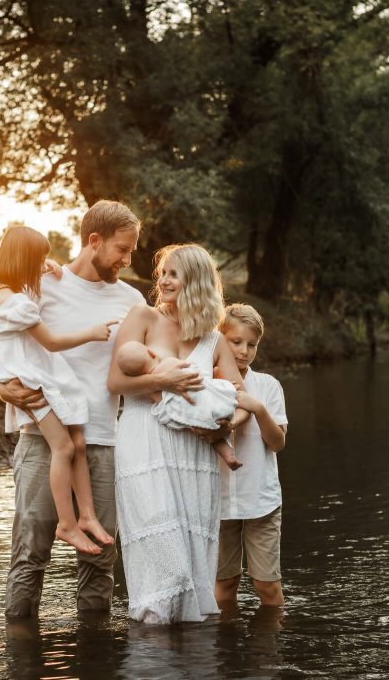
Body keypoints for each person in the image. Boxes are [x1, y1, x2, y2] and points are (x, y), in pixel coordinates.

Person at [0, 200, 203, 618]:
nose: (128, 259)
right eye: (122, 250)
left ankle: (95, 656)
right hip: (41, 438)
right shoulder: (39, 286)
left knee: (100, 559)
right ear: (94, 241)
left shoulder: (129, 301)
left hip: (105, 439)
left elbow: (170, 347)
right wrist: (1, 387)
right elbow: (1, 346)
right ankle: (19, 651)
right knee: (30, 552)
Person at [108, 243, 249, 624]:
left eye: (173, 273)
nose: (163, 280)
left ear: (197, 281)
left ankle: (187, 656)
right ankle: (154, 648)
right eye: (163, 273)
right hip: (144, 446)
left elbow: (239, 399)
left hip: (196, 455)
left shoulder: (214, 340)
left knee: (191, 566)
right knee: (167, 566)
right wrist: (162, 380)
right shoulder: (142, 317)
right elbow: (116, 381)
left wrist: (221, 426)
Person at [0, 226, 116, 556]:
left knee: (78, 441)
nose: (44, 265)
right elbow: (52, 341)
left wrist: (46, 264)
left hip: (37, 372)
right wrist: (91, 333)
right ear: (24, 261)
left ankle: (87, 516)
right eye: (39, 259)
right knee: (63, 447)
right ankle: (67, 523)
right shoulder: (16, 304)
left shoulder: (0, 288)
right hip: (29, 380)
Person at [213, 304, 288, 609]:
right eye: (236, 342)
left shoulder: (268, 387)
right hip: (218, 501)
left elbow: (277, 443)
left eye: (252, 344)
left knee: (266, 585)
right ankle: (224, 649)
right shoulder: (208, 383)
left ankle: (269, 652)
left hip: (260, 500)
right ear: (220, 339)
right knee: (224, 582)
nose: (244, 351)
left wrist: (256, 408)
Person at [115, 339, 243, 470]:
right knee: (210, 389)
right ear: (151, 353)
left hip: (188, 415)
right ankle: (228, 392)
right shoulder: (169, 362)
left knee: (206, 432)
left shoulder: (149, 390)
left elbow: (161, 404)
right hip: (203, 401)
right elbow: (193, 369)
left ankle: (228, 455)